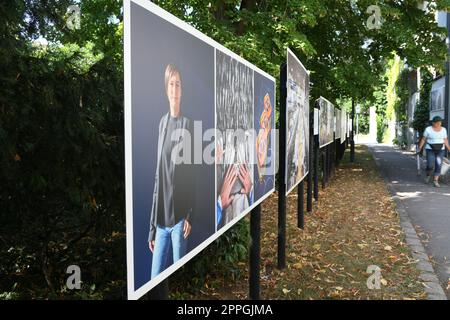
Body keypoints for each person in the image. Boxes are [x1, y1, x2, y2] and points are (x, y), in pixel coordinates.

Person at [148, 64, 194, 279]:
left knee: (178, 282)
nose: (175, 89)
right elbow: (159, 177)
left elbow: (194, 177)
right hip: (160, 223)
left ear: (182, 90)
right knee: (154, 279)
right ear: (166, 89)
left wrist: (188, 215)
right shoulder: (162, 124)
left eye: (178, 84)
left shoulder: (189, 125)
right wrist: (151, 228)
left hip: (178, 221)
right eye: (171, 84)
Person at [418, 116, 450, 188]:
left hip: (440, 149)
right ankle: (428, 174)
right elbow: (423, 139)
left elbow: (445, 140)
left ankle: (435, 181)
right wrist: (419, 148)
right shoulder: (428, 129)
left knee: (438, 165)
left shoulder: (444, 130)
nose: (439, 124)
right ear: (433, 123)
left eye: (440, 122)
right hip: (430, 149)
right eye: (437, 123)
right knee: (430, 165)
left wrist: (449, 149)